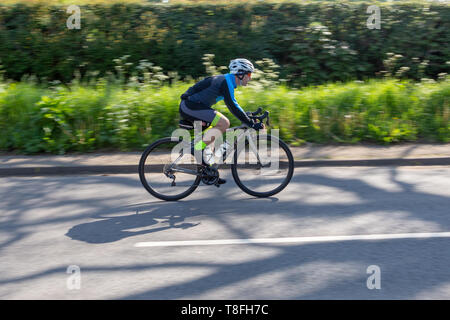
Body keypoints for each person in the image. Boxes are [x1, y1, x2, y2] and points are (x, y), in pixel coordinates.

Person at [179, 58, 265, 184]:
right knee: (224, 123)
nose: (250, 78)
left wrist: (247, 116)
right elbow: (232, 105)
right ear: (240, 74)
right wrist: (250, 123)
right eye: (249, 74)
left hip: (193, 106)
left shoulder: (227, 81)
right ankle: (197, 148)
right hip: (190, 106)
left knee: (214, 135)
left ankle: (210, 171)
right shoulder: (226, 81)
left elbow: (234, 104)